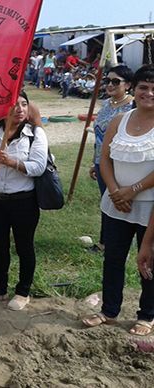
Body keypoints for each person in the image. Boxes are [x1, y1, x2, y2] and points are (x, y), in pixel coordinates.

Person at [82, 64, 154, 336]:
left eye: (153, 89)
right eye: (143, 87)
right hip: (116, 203)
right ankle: (109, 310)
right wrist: (114, 190)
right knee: (113, 258)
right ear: (134, 90)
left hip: (149, 206)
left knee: (148, 260)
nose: (148, 93)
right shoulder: (119, 120)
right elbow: (105, 159)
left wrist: (133, 190)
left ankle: (147, 314)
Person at [0, 91, 48, 311]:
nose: (20, 109)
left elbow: (38, 167)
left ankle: (23, 292)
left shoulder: (35, 134)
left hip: (23, 201)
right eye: (15, 105)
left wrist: (13, 162)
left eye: (24, 104)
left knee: (24, 246)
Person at [88, 65, 134, 252]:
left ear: (128, 85)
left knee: (118, 201)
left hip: (121, 164)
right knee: (105, 202)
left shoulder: (132, 106)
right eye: (108, 81)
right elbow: (98, 136)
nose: (110, 85)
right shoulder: (106, 104)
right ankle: (105, 242)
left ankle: (115, 243)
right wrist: (95, 161)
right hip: (102, 162)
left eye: (116, 81)